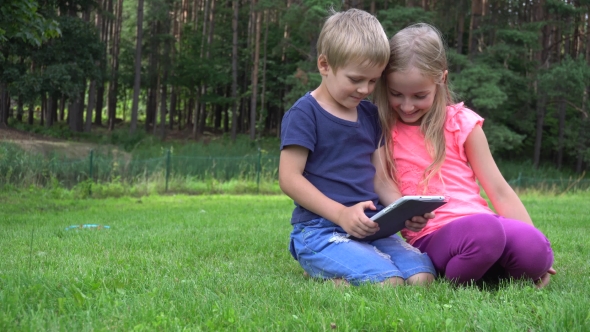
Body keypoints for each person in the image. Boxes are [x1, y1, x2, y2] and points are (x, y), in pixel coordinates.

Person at [373, 23, 555, 288]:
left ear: (442, 80)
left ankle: (488, 267)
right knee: (484, 234)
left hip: (482, 224)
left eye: (419, 95)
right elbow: (382, 181)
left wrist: (535, 242)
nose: (407, 105)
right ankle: (473, 271)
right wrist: (404, 212)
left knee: (534, 246)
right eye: (396, 94)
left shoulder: (461, 123)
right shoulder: (381, 129)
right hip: (432, 235)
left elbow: (498, 189)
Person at [279, 8, 436, 286]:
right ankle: (323, 265)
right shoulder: (305, 114)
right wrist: (341, 213)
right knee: (389, 283)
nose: (364, 89)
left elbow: (380, 178)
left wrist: (404, 210)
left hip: (371, 226)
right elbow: (289, 179)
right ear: (325, 65)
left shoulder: (370, 115)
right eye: (355, 79)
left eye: (373, 81)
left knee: (422, 277)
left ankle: (340, 266)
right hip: (320, 229)